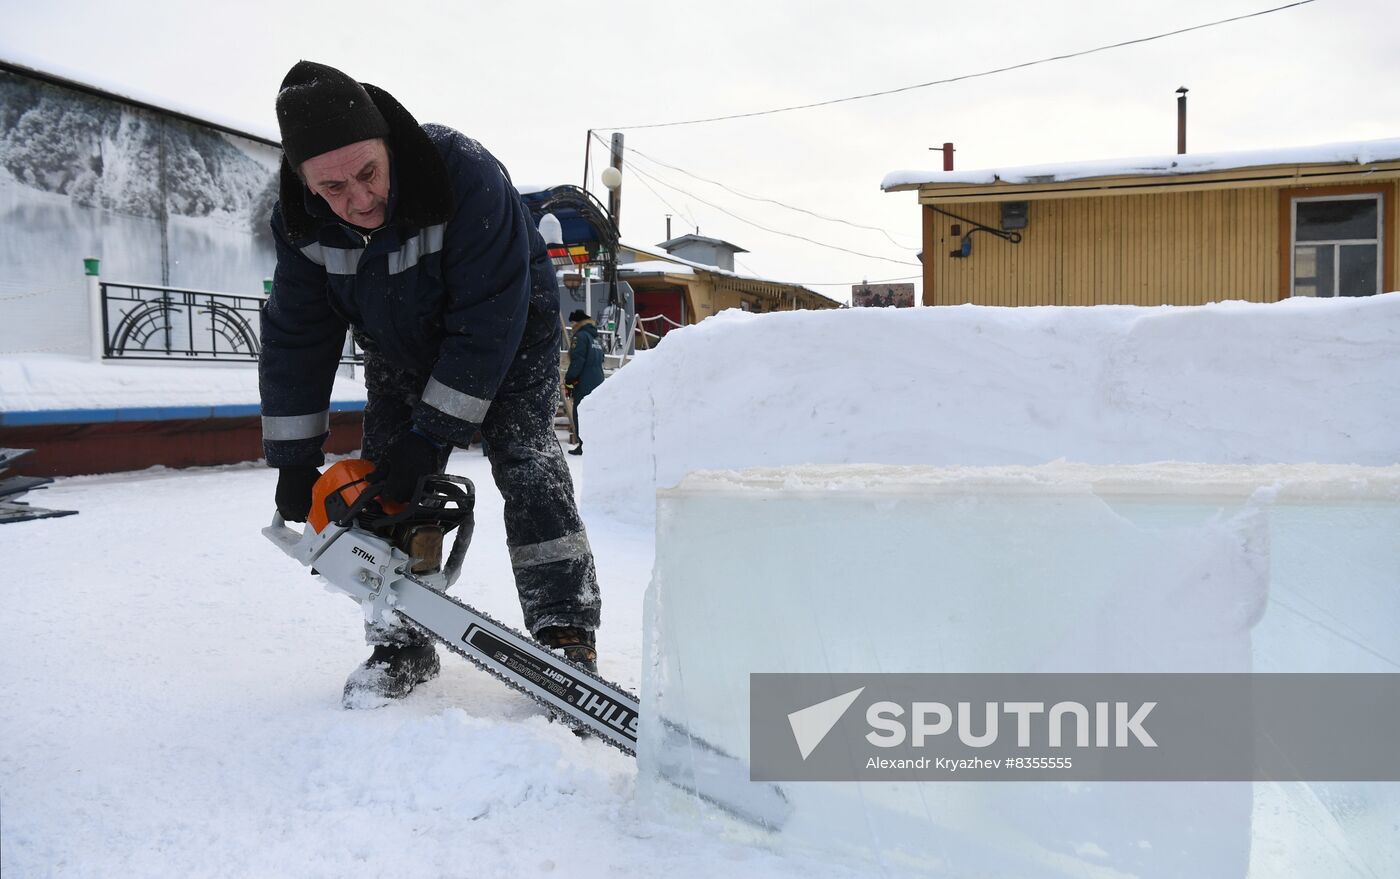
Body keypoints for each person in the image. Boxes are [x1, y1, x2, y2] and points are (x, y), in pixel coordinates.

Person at [260, 61, 601, 706]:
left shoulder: (462, 174)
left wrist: (434, 432)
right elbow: (296, 339)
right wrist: (295, 458)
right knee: (386, 486)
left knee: (528, 464)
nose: (359, 200)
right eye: (332, 187)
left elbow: (487, 323)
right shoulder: (301, 225)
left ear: (387, 145)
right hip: (401, 348)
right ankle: (402, 638)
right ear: (304, 184)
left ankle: (564, 631)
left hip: (511, 332)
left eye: (367, 173)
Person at [563, 309, 605, 456]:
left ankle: (583, 445)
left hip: (584, 382)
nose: (572, 325)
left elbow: (577, 361)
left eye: (573, 322)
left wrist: (568, 380)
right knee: (594, 414)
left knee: (580, 413)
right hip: (598, 381)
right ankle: (595, 444)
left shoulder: (580, 336)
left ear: (577, 322)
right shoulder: (595, 338)